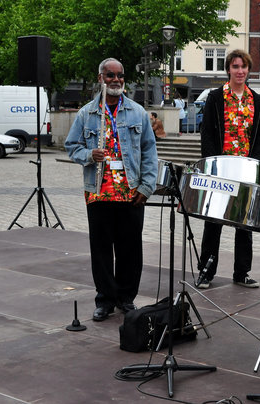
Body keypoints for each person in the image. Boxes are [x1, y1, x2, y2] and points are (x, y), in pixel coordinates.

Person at [65, 58, 158, 321]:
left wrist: (147, 186)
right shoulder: (86, 113)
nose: (116, 80)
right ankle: (105, 300)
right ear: (100, 78)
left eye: (120, 75)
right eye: (110, 75)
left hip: (131, 191)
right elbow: (71, 146)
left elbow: (149, 151)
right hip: (98, 192)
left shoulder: (138, 112)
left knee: (130, 249)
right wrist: (88, 154)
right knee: (101, 250)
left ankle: (126, 298)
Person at [196, 49, 260, 289]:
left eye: (243, 67)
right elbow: (207, 132)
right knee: (213, 221)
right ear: (228, 69)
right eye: (235, 66)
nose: (240, 71)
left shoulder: (256, 101)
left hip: (245, 169)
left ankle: (242, 272)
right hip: (220, 168)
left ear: (248, 70)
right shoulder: (216, 98)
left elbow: (259, 137)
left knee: (244, 223)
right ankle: (206, 271)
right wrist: (212, 164)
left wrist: (254, 165)